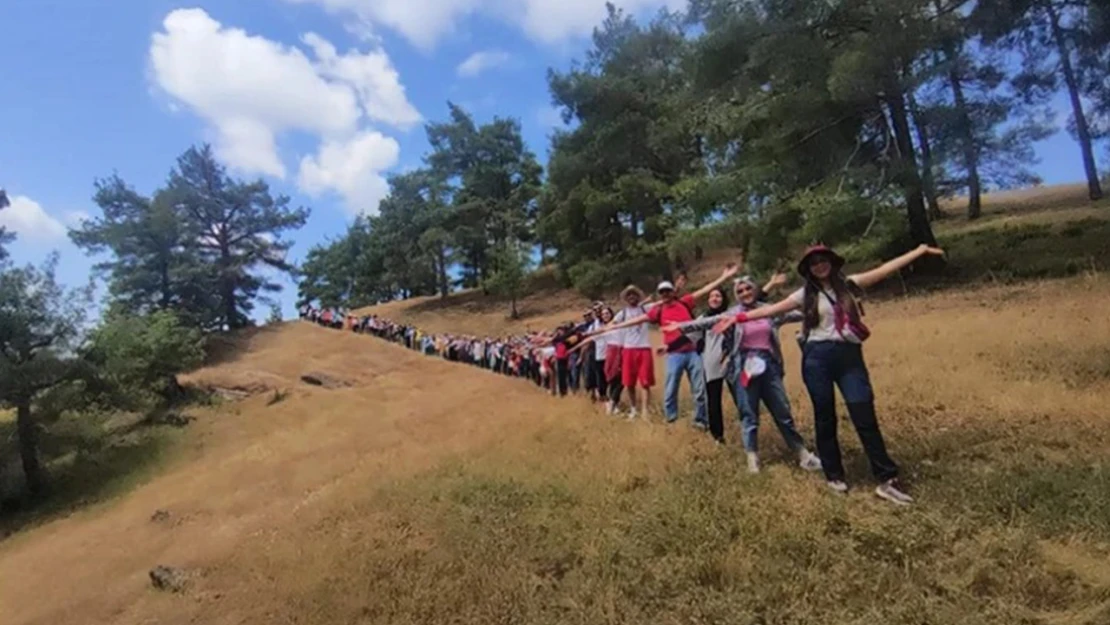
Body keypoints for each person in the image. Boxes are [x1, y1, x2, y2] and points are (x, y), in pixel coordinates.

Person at [712, 243, 945, 504]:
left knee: (863, 413)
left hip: (849, 357)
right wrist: (738, 319)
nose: (819, 265)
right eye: (814, 263)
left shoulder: (849, 284)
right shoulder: (805, 294)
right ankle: (834, 475)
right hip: (817, 358)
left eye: (823, 260)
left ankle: (886, 478)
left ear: (832, 262)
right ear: (809, 269)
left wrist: (919, 251)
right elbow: (770, 309)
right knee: (825, 416)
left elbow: (884, 269)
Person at [593, 263, 739, 426]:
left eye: (667, 291)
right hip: (674, 354)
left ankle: (700, 420)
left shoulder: (684, 302)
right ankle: (671, 420)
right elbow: (636, 320)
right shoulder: (658, 310)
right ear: (660, 294)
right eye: (662, 292)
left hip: (693, 352)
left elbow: (704, 290)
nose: (665, 294)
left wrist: (724, 277)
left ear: (672, 292)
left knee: (699, 390)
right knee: (670, 390)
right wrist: (614, 326)